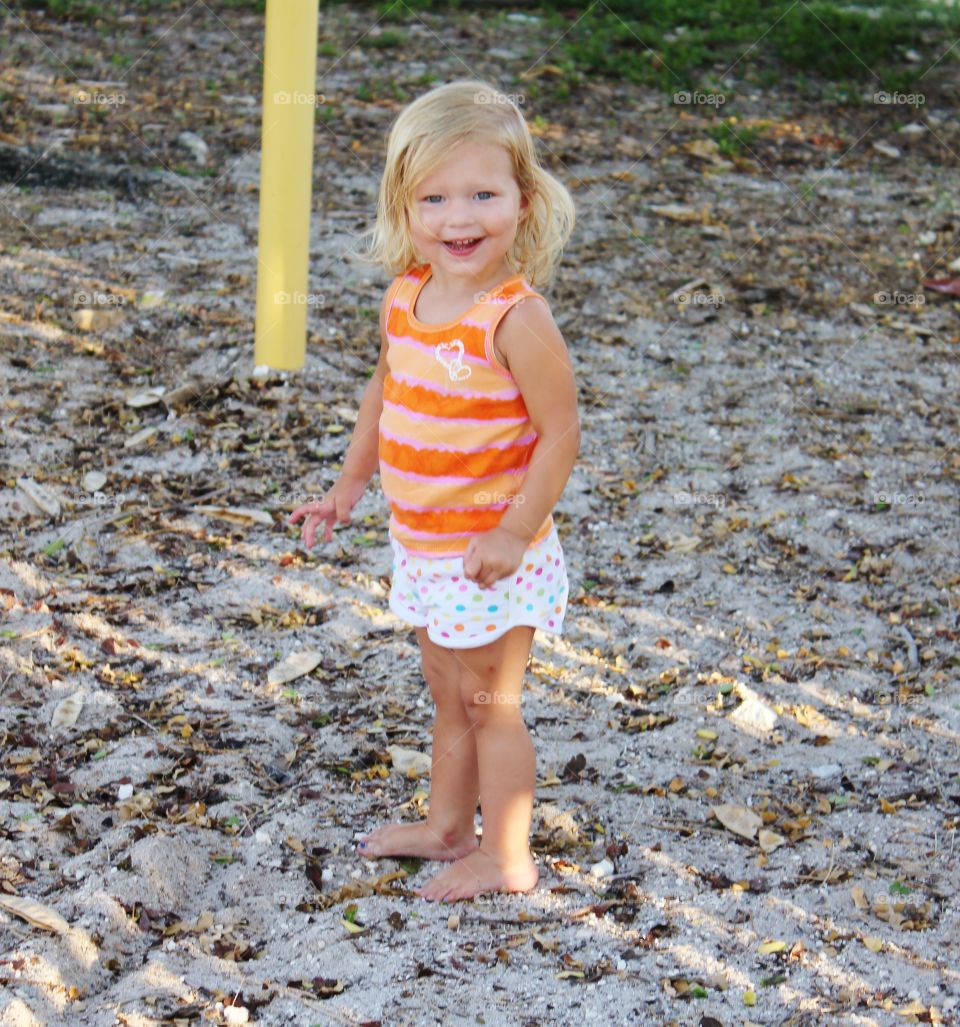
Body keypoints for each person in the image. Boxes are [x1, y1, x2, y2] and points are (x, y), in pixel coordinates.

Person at [288, 78, 579, 902]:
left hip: (494, 555)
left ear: (523, 199)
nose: (460, 218)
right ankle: (449, 826)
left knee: (493, 702)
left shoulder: (516, 317)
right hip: (423, 546)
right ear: (405, 207)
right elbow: (386, 394)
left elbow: (562, 436)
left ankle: (507, 851)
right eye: (437, 198)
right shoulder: (407, 298)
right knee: (448, 693)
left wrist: (516, 531)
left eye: (484, 193)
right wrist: (349, 486)